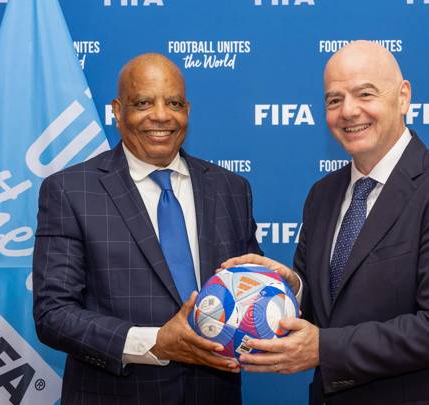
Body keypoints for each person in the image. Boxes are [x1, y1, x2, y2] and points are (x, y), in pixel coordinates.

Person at [223, 41, 429, 404]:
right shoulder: (322, 195)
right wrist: (293, 290)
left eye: (364, 94)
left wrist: (323, 349)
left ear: (403, 97)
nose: (348, 111)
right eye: (334, 100)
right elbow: (330, 311)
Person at [33, 53, 261, 404]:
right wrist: (154, 342)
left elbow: (250, 291)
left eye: (174, 103)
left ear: (187, 110)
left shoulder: (231, 189)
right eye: (143, 103)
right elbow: (54, 314)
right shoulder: (71, 191)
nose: (161, 116)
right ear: (117, 110)